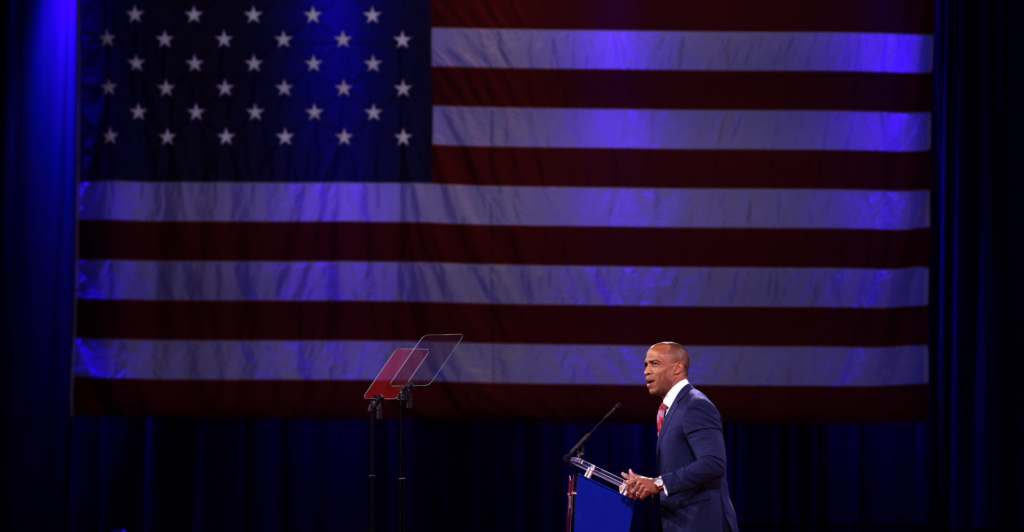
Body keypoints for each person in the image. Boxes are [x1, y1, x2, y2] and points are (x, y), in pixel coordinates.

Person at [619, 342, 738, 532]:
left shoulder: (695, 405)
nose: (646, 371)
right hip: (681, 522)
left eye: (654, 363)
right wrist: (649, 486)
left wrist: (658, 483)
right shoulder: (672, 409)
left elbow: (714, 463)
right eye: (645, 365)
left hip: (702, 523)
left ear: (678, 367)